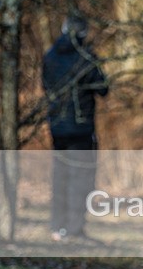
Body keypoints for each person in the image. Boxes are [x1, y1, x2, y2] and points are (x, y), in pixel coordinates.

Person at [42, 14, 109, 243]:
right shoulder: (85, 57)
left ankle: (57, 228)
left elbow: (46, 85)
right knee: (81, 178)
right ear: (82, 32)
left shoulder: (50, 56)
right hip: (81, 128)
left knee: (60, 176)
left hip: (57, 126)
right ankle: (75, 229)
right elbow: (103, 88)